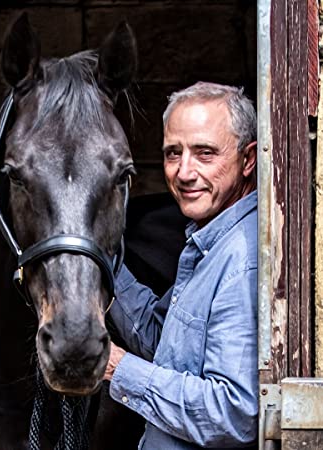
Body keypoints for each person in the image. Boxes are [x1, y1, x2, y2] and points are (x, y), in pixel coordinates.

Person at [104, 82, 258, 449]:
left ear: (248, 159)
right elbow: (167, 349)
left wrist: (117, 368)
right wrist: (102, 256)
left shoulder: (242, 261)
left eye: (205, 153)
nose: (184, 172)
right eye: (174, 153)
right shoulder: (212, 240)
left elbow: (233, 413)